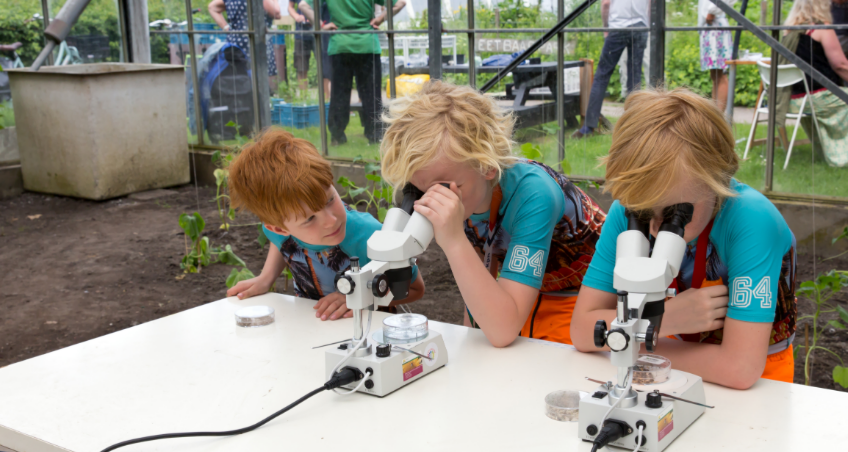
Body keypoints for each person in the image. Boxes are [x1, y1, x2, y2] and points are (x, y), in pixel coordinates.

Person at [570, 88, 798, 389]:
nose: (653, 228)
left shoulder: (751, 220)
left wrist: (629, 338)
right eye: (642, 209)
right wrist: (664, 321)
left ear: (715, 180)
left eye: (673, 213)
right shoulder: (625, 213)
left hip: (760, 381)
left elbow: (741, 368)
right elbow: (581, 330)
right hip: (666, 364)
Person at [381, 81, 606, 347]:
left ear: (487, 166)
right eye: (418, 190)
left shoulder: (535, 194)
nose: (432, 202)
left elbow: (502, 330)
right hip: (532, 291)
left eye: (442, 189)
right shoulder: (467, 188)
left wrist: (453, 241)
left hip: (584, 298)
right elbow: (478, 285)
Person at [225, 129, 425, 320]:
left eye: (330, 200)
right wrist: (266, 278)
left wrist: (361, 299)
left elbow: (416, 289)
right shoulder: (279, 232)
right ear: (278, 227)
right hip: (312, 329)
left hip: (372, 338)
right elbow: (280, 243)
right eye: (310, 219)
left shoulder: (371, 236)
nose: (331, 220)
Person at [299, 0, 406, 146]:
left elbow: (303, 5)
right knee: (371, 93)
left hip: (340, 46)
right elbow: (400, 2)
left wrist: (321, 25)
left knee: (339, 93)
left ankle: (337, 136)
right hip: (367, 45)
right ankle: (374, 135)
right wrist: (380, 18)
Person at [778, 0, 848, 170]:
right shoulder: (822, 29)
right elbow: (840, 65)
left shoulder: (790, 31)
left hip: (793, 99)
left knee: (847, 98)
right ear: (822, 4)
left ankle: (840, 152)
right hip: (817, 97)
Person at [572, 0, 651, 138]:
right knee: (634, 77)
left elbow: (606, 1)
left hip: (618, 26)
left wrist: (605, 28)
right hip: (640, 27)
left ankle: (589, 127)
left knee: (602, 75)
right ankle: (635, 125)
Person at [208, 0, 282, 94]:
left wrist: (227, 28)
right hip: (256, 42)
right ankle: (258, 109)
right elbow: (276, 13)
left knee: (239, 80)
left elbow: (212, 7)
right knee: (258, 80)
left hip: (236, 44)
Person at [698, 0, 742, 112]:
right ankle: (715, 115)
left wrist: (713, 10)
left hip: (714, 27)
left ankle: (719, 117)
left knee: (720, 74)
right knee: (715, 74)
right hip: (713, 26)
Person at [288, 0, 333, 98]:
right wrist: (297, 16)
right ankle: (304, 98)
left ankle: (326, 98)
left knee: (325, 68)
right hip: (302, 33)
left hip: (321, 34)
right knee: (302, 68)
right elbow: (290, 6)